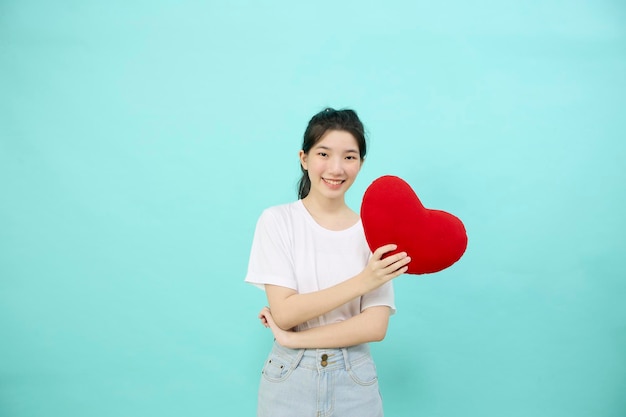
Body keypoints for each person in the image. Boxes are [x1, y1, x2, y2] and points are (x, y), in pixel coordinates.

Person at [245, 108, 411, 417]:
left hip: (355, 379)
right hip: (289, 377)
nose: (336, 168)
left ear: (361, 164)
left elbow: (374, 326)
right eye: (324, 153)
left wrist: (293, 338)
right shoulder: (277, 221)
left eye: (349, 157)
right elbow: (285, 311)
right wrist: (363, 282)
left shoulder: (374, 234)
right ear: (304, 158)